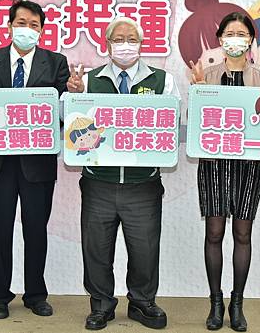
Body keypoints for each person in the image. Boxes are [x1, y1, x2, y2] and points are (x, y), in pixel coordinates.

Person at [66, 16, 180, 330]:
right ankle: (101, 305)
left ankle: (142, 302)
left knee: (145, 249)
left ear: (141, 44)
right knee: (96, 249)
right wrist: (73, 96)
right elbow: (69, 125)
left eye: (131, 39)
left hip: (142, 184)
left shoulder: (162, 80)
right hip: (98, 182)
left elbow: (172, 122)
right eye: (118, 39)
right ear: (107, 45)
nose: (125, 45)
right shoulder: (88, 80)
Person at [0, 0, 69, 319]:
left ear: (42, 31)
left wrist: (75, 93)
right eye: (21, 23)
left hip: (36, 162)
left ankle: (35, 294)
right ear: (10, 26)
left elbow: (64, 113)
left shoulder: (56, 62)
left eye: (34, 25)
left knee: (35, 230)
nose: (27, 29)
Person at [190, 12, 260, 332]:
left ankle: (237, 304)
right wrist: (198, 90)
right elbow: (196, 123)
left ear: (251, 40)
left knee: (242, 233)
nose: (235, 39)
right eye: (230, 33)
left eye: (242, 34)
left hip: (249, 163)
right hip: (214, 163)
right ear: (220, 39)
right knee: (214, 232)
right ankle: (215, 303)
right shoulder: (208, 74)